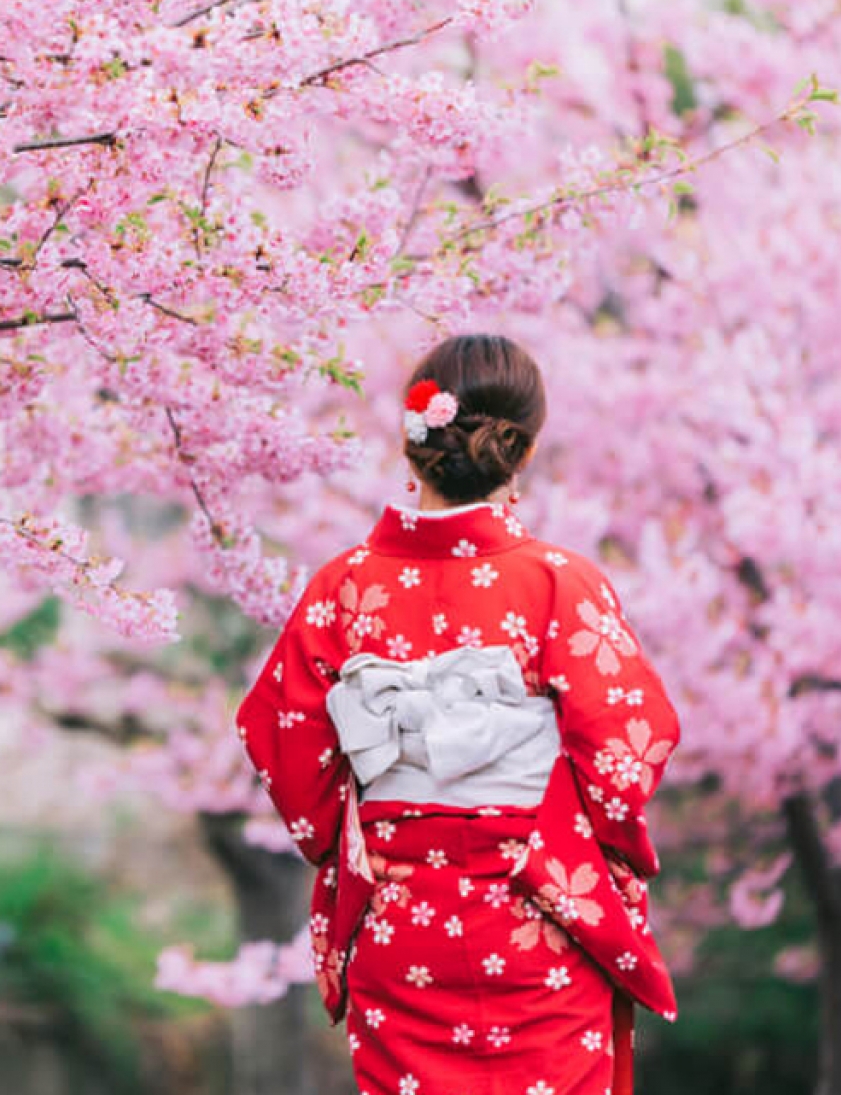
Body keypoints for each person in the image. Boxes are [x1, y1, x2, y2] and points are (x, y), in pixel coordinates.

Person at [235, 333, 681, 1095]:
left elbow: (279, 740)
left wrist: (366, 836)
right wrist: (553, 847)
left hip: (401, 918)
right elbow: (622, 754)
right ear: (523, 451)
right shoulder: (559, 584)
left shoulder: (340, 589)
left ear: (414, 449)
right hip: (536, 914)